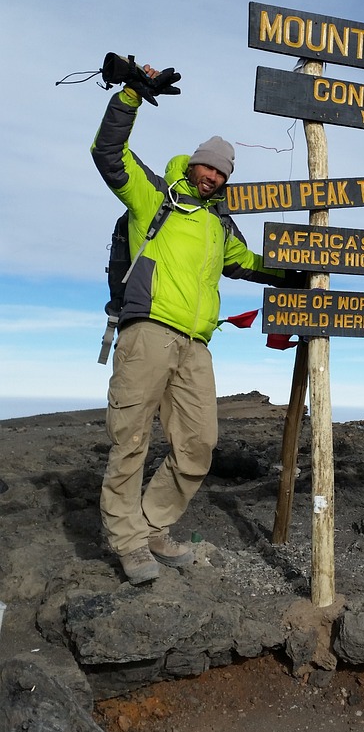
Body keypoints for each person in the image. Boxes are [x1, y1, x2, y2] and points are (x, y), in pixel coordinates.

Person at [92, 64, 299, 585]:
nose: (214, 176)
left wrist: (296, 273)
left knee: (199, 444)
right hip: (147, 332)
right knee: (130, 440)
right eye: (209, 168)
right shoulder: (155, 196)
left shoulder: (218, 223)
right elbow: (108, 154)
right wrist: (132, 95)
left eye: (223, 173)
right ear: (195, 164)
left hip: (197, 344)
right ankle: (129, 543)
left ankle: (153, 525)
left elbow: (246, 262)